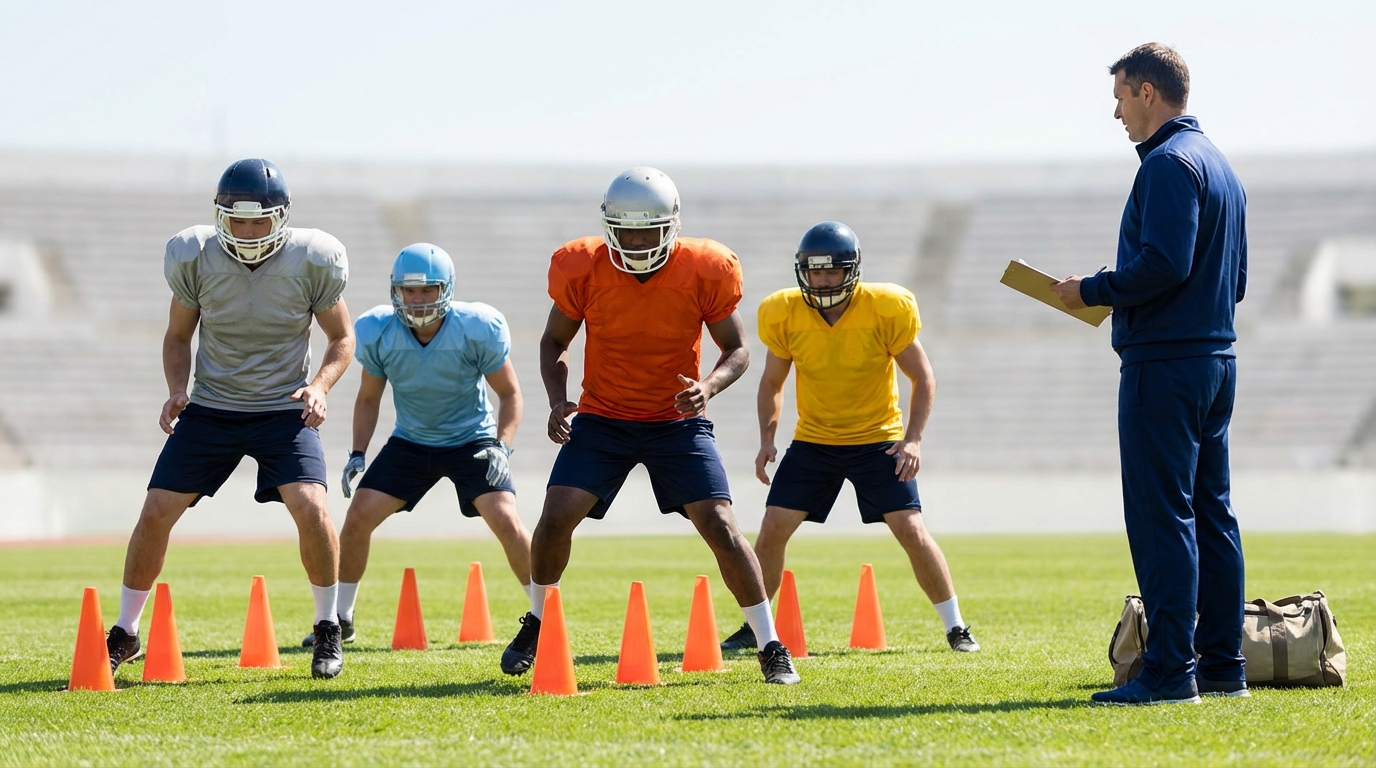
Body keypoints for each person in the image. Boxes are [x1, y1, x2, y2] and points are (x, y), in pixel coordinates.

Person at [500, 168, 799, 685]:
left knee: (722, 527)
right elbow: (553, 342)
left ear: (672, 226)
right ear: (610, 225)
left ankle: (771, 644)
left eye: (649, 230)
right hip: (603, 417)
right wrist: (556, 399)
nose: (637, 241)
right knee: (553, 517)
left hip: (676, 421)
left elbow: (738, 350)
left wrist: (707, 388)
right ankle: (538, 620)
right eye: (628, 230)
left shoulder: (705, 268)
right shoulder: (583, 268)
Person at [1051, 43, 1248, 705]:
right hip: (1216, 360)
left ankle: (1169, 673)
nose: (1116, 114)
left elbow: (1164, 263)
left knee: (1163, 517)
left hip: (1165, 365)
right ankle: (1223, 666)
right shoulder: (1220, 166)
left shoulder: (1166, 164)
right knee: (1212, 513)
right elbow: (1236, 280)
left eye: (1120, 97)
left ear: (1146, 92)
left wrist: (1093, 289)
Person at [106, 158, 355, 679]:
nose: (245, 231)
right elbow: (177, 336)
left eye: (257, 221)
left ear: (280, 217)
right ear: (219, 216)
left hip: (282, 408)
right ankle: (127, 631)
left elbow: (341, 338)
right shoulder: (194, 256)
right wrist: (177, 390)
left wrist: (319, 386)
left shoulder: (314, 259)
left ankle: (328, 626)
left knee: (312, 506)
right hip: (213, 406)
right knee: (155, 511)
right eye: (235, 220)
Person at [719, 221, 979, 654]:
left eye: (831, 272)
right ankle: (756, 626)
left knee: (911, 528)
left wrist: (913, 440)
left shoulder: (885, 307)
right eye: (814, 272)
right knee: (773, 527)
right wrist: (767, 439)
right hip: (815, 440)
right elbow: (771, 384)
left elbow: (922, 377)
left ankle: (956, 626)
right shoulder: (785, 311)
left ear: (851, 270)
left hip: (878, 438)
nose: (822, 280)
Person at [301, 243, 532, 646]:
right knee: (357, 519)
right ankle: (341, 619)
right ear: (396, 291)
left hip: (471, 438)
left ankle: (546, 611)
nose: (418, 298)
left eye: (428, 290)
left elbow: (511, 395)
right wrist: (358, 452)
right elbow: (369, 398)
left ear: (447, 289)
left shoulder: (477, 327)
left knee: (507, 520)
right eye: (410, 290)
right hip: (412, 440)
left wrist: (502, 446)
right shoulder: (378, 331)